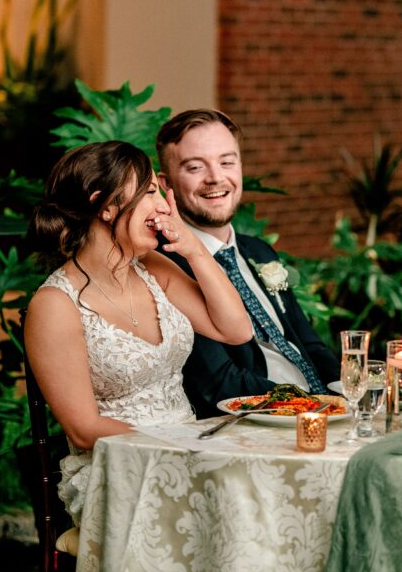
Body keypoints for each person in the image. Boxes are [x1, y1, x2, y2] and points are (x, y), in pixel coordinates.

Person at [25, 141, 252, 527]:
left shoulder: (155, 269)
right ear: (106, 205)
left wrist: (195, 250)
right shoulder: (54, 306)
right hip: (115, 466)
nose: (165, 205)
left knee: (253, 496)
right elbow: (83, 429)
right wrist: (181, 448)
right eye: (149, 192)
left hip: (189, 451)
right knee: (230, 511)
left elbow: (235, 330)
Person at [156, 109, 340, 418]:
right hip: (253, 423)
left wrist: (347, 393)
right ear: (166, 183)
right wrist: (310, 405)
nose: (216, 177)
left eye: (227, 162)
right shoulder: (167, 267)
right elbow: (218, 382)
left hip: (324, 412)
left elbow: (310, 343)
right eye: (195, 167)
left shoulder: (259, 251)